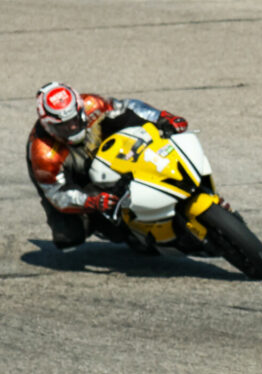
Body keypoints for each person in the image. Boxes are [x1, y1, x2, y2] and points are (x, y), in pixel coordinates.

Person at [27, 82, 191, 249]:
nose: (72, 127)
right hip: (69, 177)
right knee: (69, 236)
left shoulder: (92, 104)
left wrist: (163, 117)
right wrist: (92, 201)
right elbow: (57, 194)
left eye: (74, 119)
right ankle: (105, 226)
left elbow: (128, 107)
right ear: (49, 127)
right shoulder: (43, 153)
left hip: (102, 150)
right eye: (63, 126)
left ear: (80, 110)